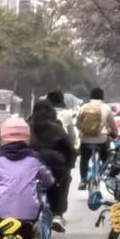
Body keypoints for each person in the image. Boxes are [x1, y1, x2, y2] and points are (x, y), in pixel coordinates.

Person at [30, 98, 76, 231]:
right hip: (54, 168)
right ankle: (57, 214)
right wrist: (70, 164)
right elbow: (69, 149)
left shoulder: (27, 126)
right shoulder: (57, 128)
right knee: (63, 181)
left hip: (30, 168)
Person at [75, 87, 116, 180]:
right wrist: (114, 133)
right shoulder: (106, 108)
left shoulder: (83, 107)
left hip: (86, 140)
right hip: (101, 140)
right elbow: (112, 126)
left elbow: (77, 124)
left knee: (84, 159)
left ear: (91, 96)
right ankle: (106, 176)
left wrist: (84, 131)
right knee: (105, 157)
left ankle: (83, 180)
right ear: (102, 97)